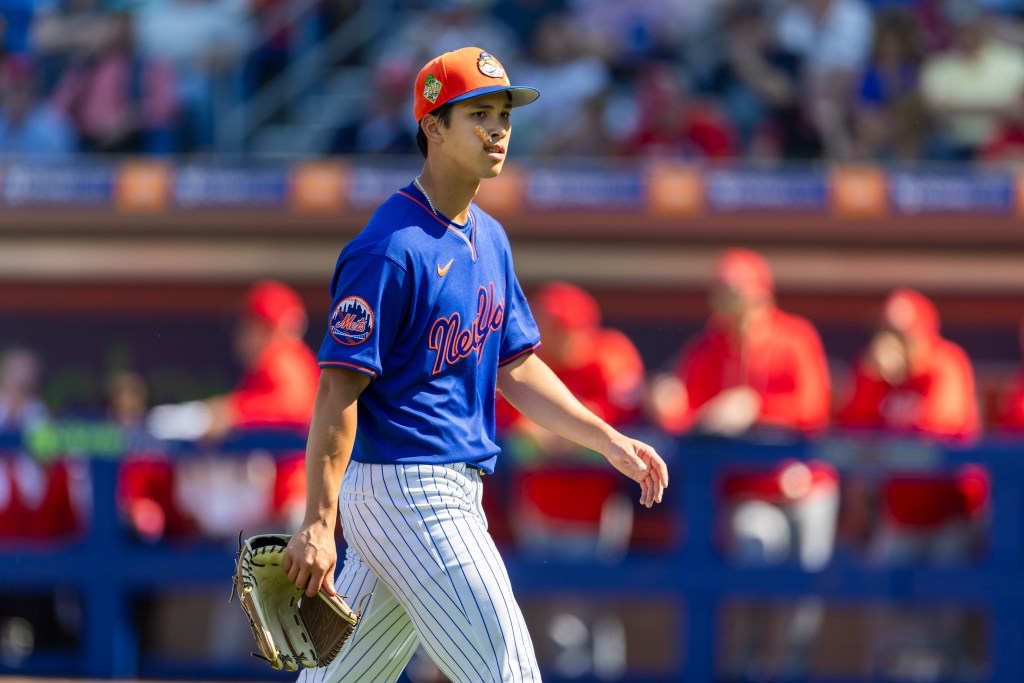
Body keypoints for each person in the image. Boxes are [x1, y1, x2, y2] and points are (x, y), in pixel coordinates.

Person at [282, 46, 668, 683]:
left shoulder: (488, 235)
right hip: (410, 490)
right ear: (432, 126)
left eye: (505, 117)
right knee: (507, 672)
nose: (498, 130)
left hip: (442, 489)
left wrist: (609, 441)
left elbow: (515, 366)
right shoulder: (388, 247)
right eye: (479, 115)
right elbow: (337, 394)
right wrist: (318, 523)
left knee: (340, 680)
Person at [646, 248, 835, 678]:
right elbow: (685, 415)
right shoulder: (711, 346)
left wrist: (756, 407)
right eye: (723, 295)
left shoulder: (794, 336)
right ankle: (749, 669)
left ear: (760, 295)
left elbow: (813, 408)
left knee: (803, 597)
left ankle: (792, 672)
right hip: (750, 492)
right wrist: (666, 404)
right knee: (751, 569)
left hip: (808, 489)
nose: (728, 305)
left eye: (737, 294)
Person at [834, 287, 983, 678]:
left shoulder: (946, 362)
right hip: (899, 515)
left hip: (950, 515)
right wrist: (871, 380)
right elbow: (850, 428)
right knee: (886, 611)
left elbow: (937, 430)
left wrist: (884, 444)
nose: (892, 342)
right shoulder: (876, 371)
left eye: (901, 333)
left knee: (946, 621)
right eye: (887, 332)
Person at [136, 279, 320, 540]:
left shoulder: (284, 357)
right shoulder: (272, 364)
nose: (241, 334)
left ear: (264, 327)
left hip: (294, 500)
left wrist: (230, 413)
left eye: (247, 326)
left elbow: (291, 408)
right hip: (282, 502)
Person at [496, 281, 646, 561]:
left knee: (592, 591)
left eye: (561, 328)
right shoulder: (529, 361)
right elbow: (510, 424)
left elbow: (623, 416)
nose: (552, 335)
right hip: (537, 502)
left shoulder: (609, 354)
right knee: (540, 593)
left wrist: (570, 430)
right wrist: (546, 432)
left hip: (598, 503)